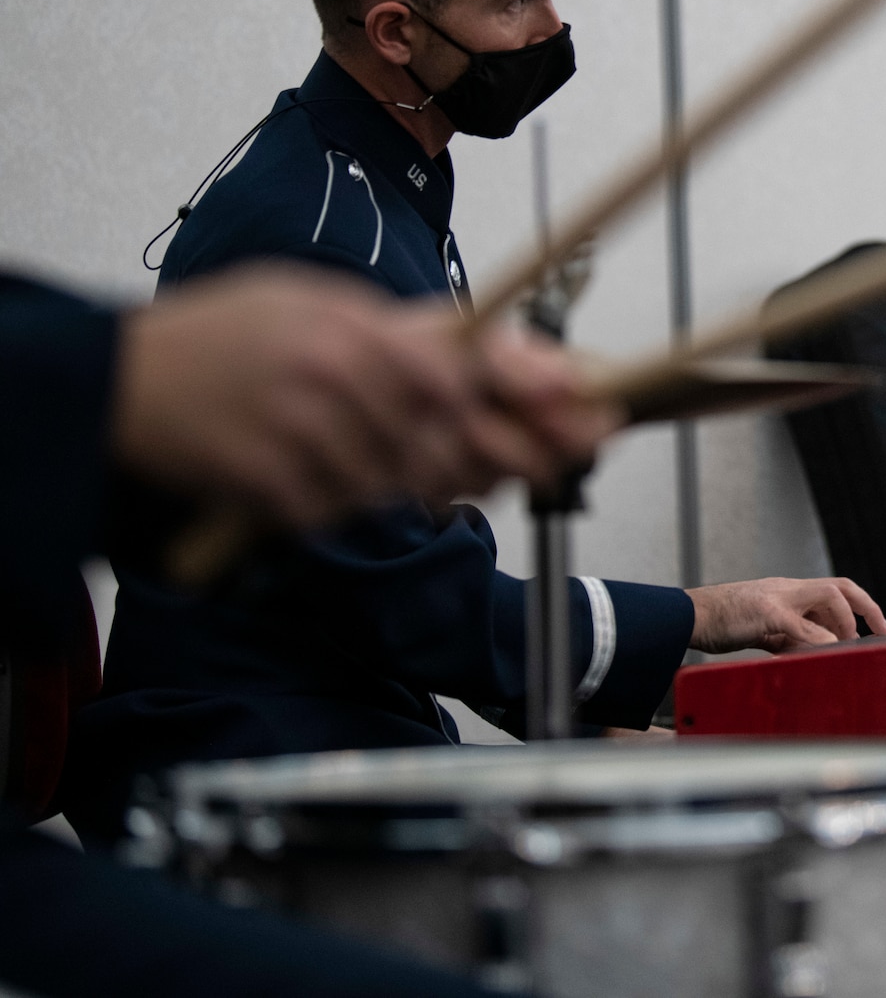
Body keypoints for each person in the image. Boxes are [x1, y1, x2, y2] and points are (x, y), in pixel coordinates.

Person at [62, 0, 886, 844]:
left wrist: (609, 732)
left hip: (347, 736)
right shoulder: (317, 236)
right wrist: (706, 614)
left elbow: (402, 584)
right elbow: (412, 601)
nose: (552, 27)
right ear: (396, 30)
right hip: (244, 779)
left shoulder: (373, 185)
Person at [1, 263, 605, 996]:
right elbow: (409, 600)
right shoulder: (309, 220)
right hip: (243, 772)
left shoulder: (390, 220)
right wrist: (113, 376)